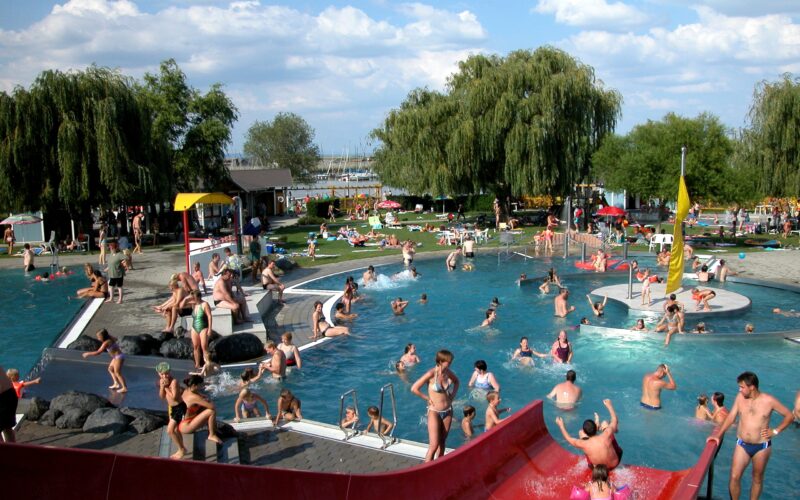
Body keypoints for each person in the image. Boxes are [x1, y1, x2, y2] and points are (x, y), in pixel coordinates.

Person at [707, 372, 793, 500]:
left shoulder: (769, 400)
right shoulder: (740, 397)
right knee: (734, 477)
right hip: (742, 444)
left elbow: (789, 416)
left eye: (742, 387)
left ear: (752, 387)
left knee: (757, 478)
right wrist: (718, 435)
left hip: (762, 446)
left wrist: (775, 431)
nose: (739, 389)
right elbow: (731, 417)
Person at [410, 350, 460, 462]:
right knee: (433, 445)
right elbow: (414, 388)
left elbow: (457, 382)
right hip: (434, 411)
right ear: (441, 361)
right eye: (448, 361)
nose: (451, 362)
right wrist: (427, 398)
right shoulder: (431, 374)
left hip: (448, 410)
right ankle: (425, 471)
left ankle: (439, 466)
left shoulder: (447, 372)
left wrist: (452, 396)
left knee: (442, 443)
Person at [555, 399, 622, 470]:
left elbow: (568, 438)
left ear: (586, 432)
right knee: (605, 424)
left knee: (581, 436)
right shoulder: (606, 434)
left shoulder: (583, 443)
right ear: (595, 428)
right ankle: (603, 427)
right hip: (615, 464)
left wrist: (561, 425)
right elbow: (614, 419)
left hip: (598, 469)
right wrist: (609, 405)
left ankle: (596, 427)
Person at [179, 375, 223, 444]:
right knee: (211, 412)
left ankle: (213, 428)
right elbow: (212, 407)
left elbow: (202, 397)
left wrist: (205, 398)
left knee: (204, 407)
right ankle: (212, 435)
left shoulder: (187, 390)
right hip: (186, 426)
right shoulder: (194, 397)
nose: (202, 387)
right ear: (194, 385)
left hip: (185, 421)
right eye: (200, 385)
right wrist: (208, 400)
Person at [156, 362, 187, 459]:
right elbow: (161, 397)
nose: (165, 376)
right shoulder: (161, 381)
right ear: (159, 374)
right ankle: (182, 448)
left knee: (170, 431)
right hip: (171, 408)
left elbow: (175, 397)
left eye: (166, 373)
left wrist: (166, 388)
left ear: (169, 372)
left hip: (179, 408)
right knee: (175, 430)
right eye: (162, 374)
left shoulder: (174, 382)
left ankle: (181, 449)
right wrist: (162, 387)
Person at [82, 328, 127, 393]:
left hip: (118, 357)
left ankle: (124, 388)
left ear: (103, 337)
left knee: (117, 373)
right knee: (110, 369)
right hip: (115, 357)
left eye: (99, 337)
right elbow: (116, 339)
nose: (98, 339)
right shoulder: (110, 338)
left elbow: (98, 352)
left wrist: (87, 353)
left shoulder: (106, 343)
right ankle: (116, 383)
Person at [184, 289, 212, 369]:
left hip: (203, 327)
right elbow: (181, 305)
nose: (193, 299)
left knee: (204, 347)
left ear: (199, 297)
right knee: (196, 346)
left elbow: (209, 316)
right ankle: (197, 364)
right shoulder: (194, 304)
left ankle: (207, 364)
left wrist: (210, 329)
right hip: (194, 327)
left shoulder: (205, 304)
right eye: (192, 298)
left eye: (194, 297)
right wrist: (186, 298)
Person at [0, 365, 19, 442]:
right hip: (9, 394)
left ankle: (8, 451)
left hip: (5, 396)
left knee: (6, 428)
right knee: (7, 428)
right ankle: (11, 451)